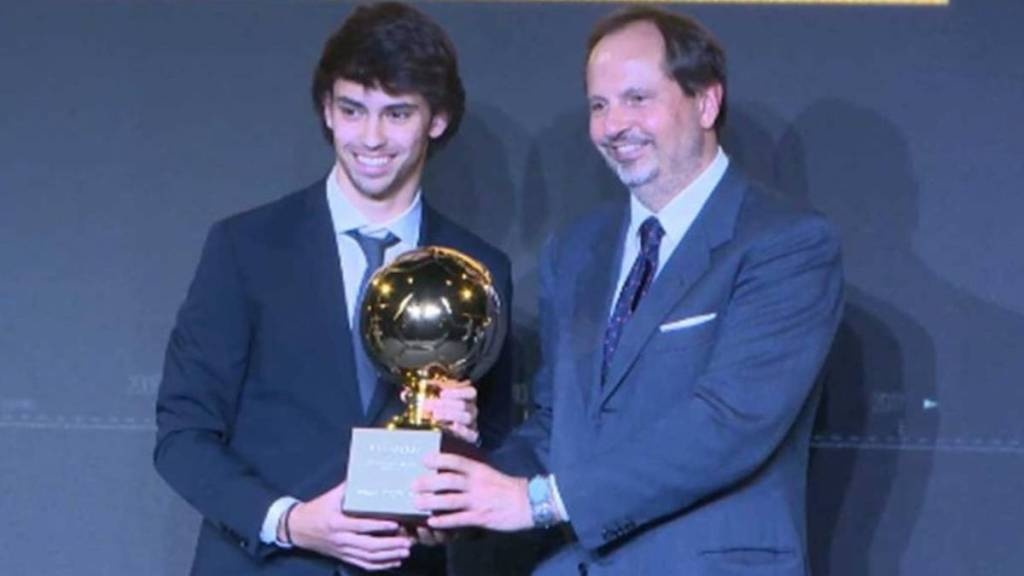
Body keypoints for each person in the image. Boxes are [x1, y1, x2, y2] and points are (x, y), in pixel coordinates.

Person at [414, 6, 843, 575]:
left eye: (637, 98)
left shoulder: (786, 246)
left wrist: (536, 502)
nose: (613, 125)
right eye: (599, 104)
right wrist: (466, 491)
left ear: (706, 102)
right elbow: (554, 426)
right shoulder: (575, 252)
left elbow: (727, 424)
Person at [153, 3, 513, 575]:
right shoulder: (245, 248)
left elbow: (496, 454)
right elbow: (183, 436)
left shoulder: (478, 270)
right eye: (352, 110)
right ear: (327, 110)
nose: (371, 138)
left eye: (397, 114)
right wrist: (291, 521)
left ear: (437, 119)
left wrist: (462, 454)